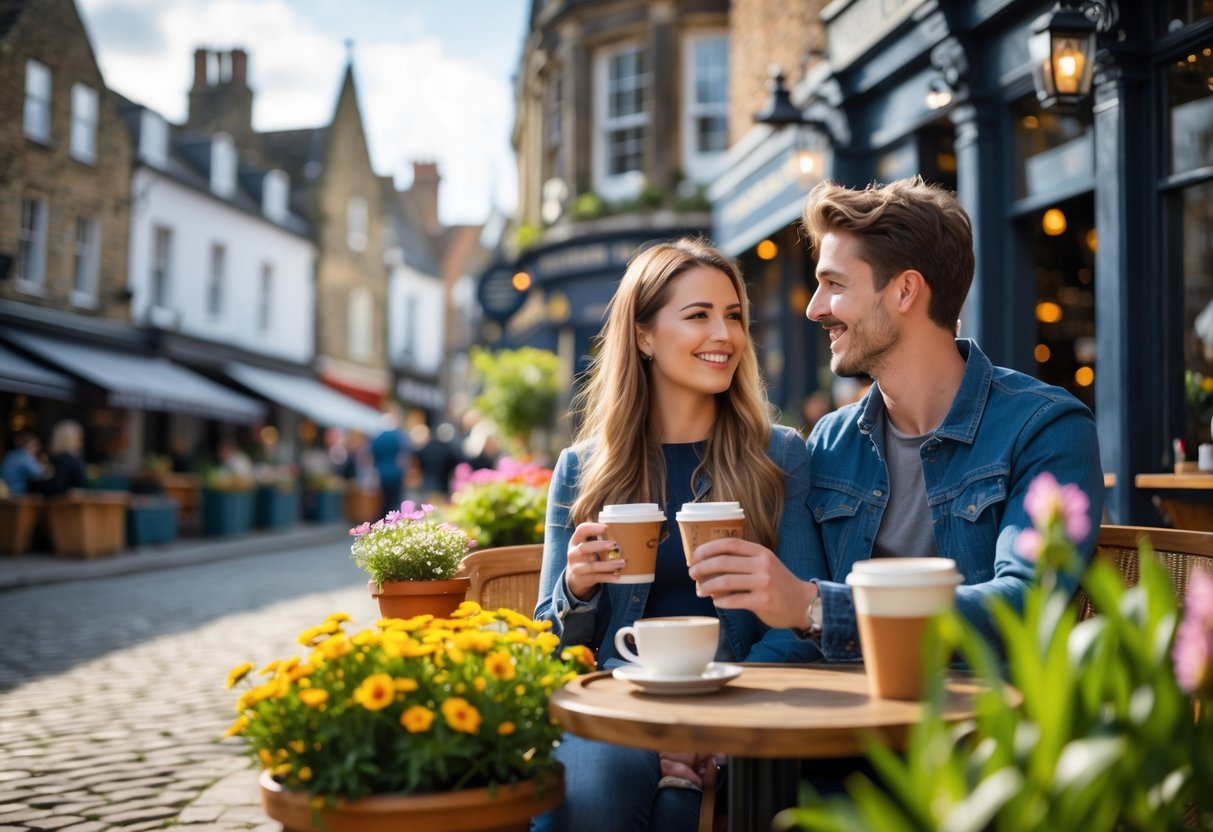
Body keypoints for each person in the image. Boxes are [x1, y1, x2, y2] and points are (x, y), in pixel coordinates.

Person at [688, 176, 1104, 664]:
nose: (815, 308)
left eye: (835, 285)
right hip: (844, 725)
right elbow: (798, 637)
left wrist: (816, 604)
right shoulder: (830, 442)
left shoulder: (1045, 428)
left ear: (906, 290)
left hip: (980, 727)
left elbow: (1022, 604)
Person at [531, 238, 817, 832]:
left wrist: (713, 726)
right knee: (599, 784)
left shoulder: (779, 456)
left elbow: (801, 626)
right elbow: (547, 648)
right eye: (698, 315)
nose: (725, 334)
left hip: (743, 701)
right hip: (620, 705)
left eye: (733, 315)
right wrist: (576, 589)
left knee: (681, 806)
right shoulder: (583, 469)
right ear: (643, 335)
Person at [370, 406, 411, 515]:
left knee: (384, 499)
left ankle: (383, 519)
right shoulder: (399, 436)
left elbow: (373, 455)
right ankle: (393, 520)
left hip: (381, 473)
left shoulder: (377, 438)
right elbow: (406, 454)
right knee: (395, 501)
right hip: (396, 473)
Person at [38, 420, 88, 496]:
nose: (79, 442)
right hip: (66, 503)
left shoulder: (55, 459)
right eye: (78, 438)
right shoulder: (70, 459)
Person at [1, 430, 46, 495]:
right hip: (18, 494)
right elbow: (40, 473)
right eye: (35, 445)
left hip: (5, 493)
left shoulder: (10, 455)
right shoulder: (25, 456)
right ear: (30, 444)